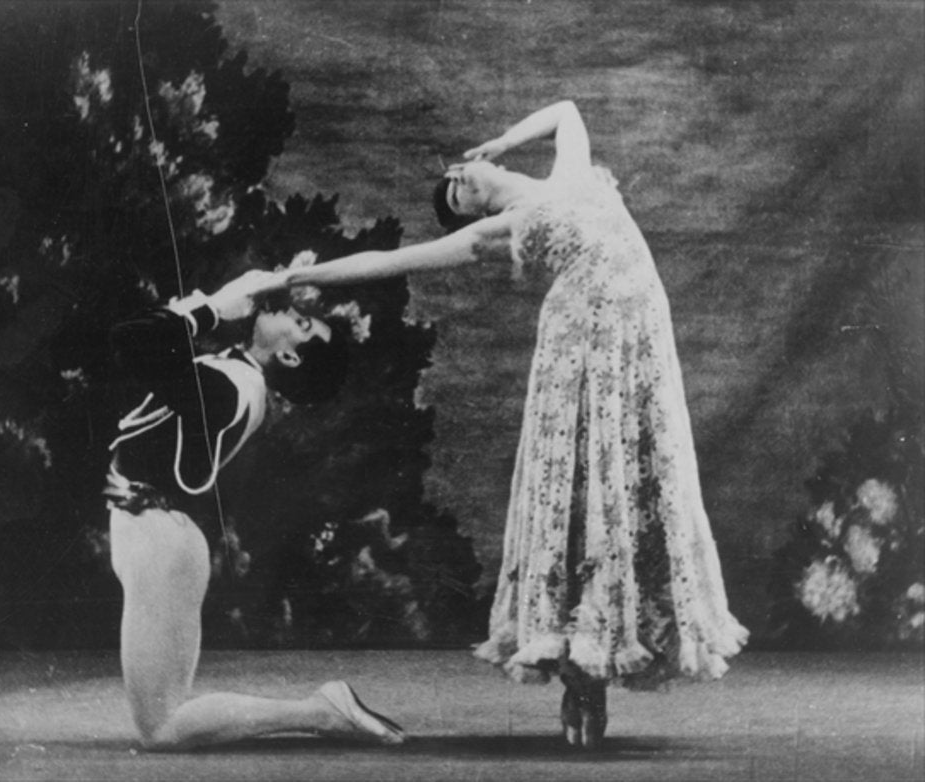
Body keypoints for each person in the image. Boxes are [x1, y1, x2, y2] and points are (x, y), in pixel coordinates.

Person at [250, 100, 749, 749]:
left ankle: (603, 658)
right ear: (477, 215)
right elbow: (394, 262)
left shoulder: (573, 174)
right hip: (582, 354)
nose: (460, 180)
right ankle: (582, 679)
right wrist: (299, 275)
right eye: (458, 196)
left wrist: (504, 137)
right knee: (581, 493)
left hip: (641, 349)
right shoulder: (504, 226)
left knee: (633, 487)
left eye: (458, 177)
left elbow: (567, 112)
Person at [104, 272, 404, 750]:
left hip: (161, 541)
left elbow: (132, 338)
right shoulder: (233, 371)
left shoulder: (233, 387)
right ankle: (321, 710)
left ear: (288, 356)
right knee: (164, 713)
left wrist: (215, 307)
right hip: (153, 533)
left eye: (302, 324)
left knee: (161, 727)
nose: (290, 311)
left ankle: (321, 711)